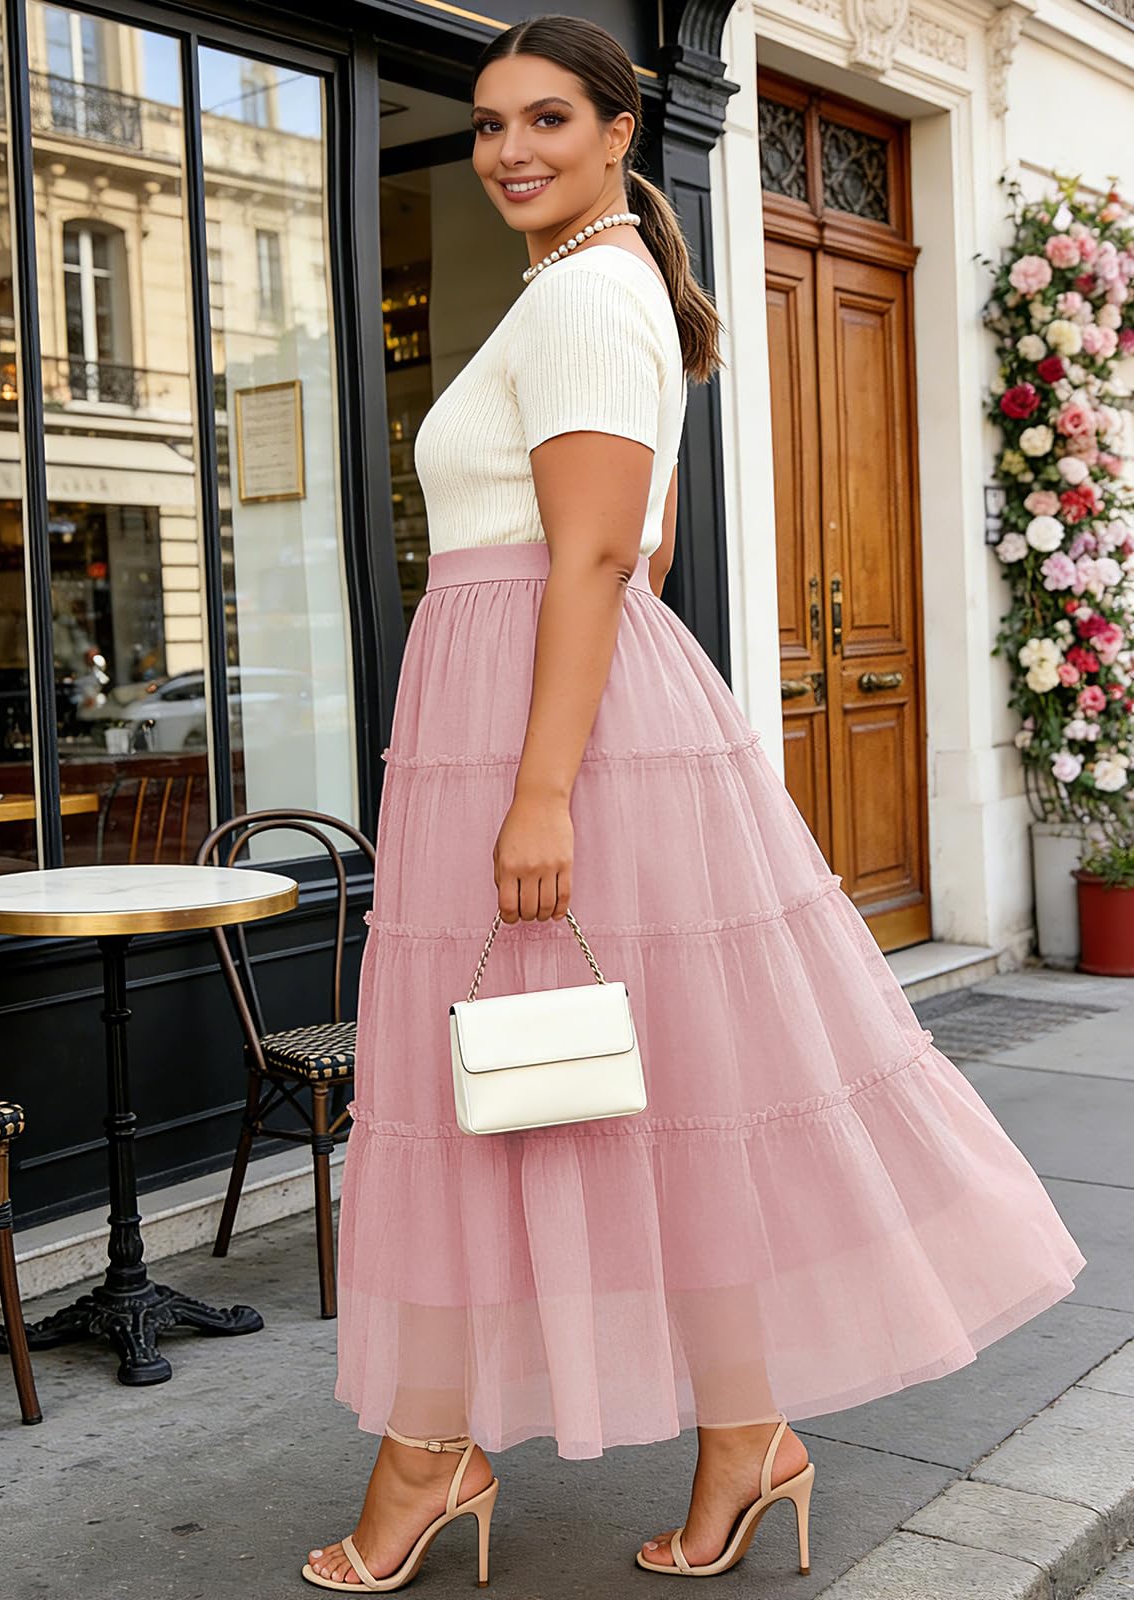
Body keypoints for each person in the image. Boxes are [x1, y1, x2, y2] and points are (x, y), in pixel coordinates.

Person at [303, 14, 1086, 1591]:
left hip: (543, 747)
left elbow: (597, 559)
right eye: (487, 125)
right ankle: (739, 1438)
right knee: (600, 1091)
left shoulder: (593, 294)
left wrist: (537, 793)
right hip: (536, 723)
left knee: (520, 1094)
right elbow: (636, 551)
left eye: (544, 118)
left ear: (615, 130)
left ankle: (436, 1456)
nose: (509, 148)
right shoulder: (586, 292)